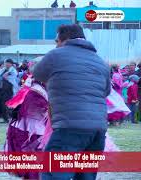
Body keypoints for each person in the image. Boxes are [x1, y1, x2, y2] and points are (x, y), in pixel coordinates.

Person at [32, 24, 111, 180]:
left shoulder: (56, 55)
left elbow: (38, 74)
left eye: (56, 40)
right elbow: (106, 91)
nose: (55, 44)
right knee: (86, 176)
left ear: (64, 39)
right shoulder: (101, 62)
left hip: (69, 127)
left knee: (53, 173)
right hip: (98, 130)